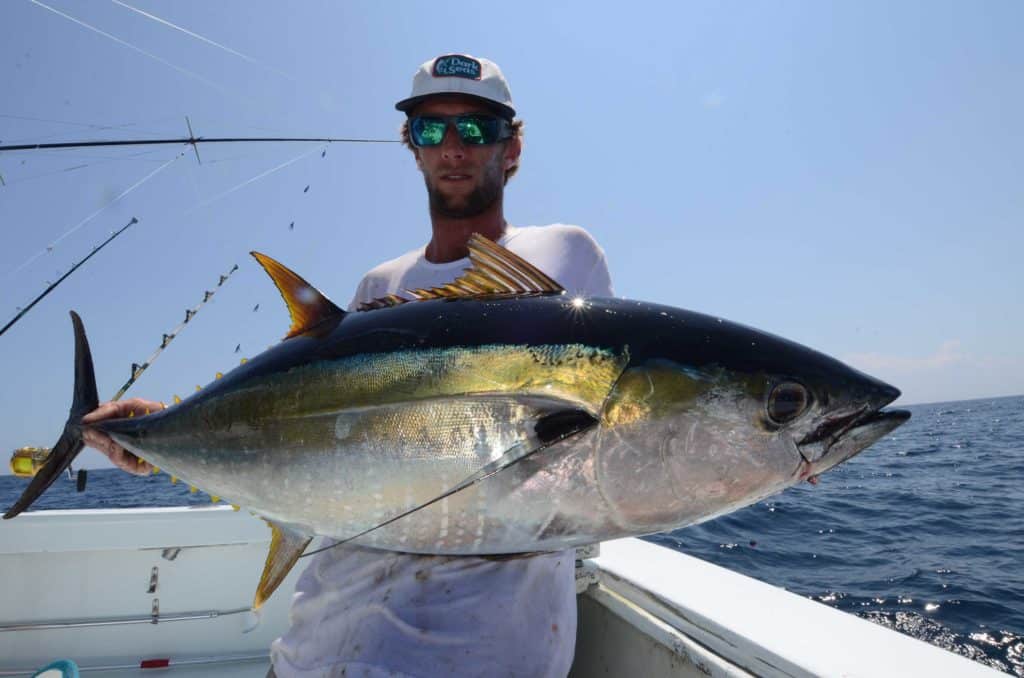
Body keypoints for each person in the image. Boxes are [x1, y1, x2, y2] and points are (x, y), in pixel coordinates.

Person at [84, 54, 613, 677]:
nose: (452, 147)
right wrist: (165, 430)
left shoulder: (561, 254)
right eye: (429, 129)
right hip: (315, 648)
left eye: (475, 128)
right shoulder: (378, 285)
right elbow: (313, 425)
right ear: (410, 146)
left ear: (512, 145)